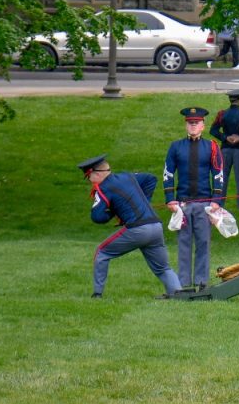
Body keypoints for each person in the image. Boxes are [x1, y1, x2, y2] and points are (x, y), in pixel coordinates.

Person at [77, 154, 182, 299]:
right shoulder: (128, 176)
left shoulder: (103, 188)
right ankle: (178, 295)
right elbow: (150, 179)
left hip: (138, 230)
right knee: (163, 268)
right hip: (156, 226)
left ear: (95, 174)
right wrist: (144, 201)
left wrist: (113, 210)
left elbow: (97, 217)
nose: (89, 181)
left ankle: (97, 294)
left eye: (88, 177)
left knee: (101, 253)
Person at [164, 107, 224, 289]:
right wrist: (170, 199)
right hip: (182, 204)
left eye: (196, 123)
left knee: (203, 243)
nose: (193, 126)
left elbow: (218, 173)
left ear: (203, 126)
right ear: (186, 126)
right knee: (184, 244)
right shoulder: (175, 147)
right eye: (190, 123)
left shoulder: (212, 147)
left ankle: (201, 282)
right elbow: (167, 173)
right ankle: (183, 283)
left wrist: (216, 199)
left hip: (205, 203)